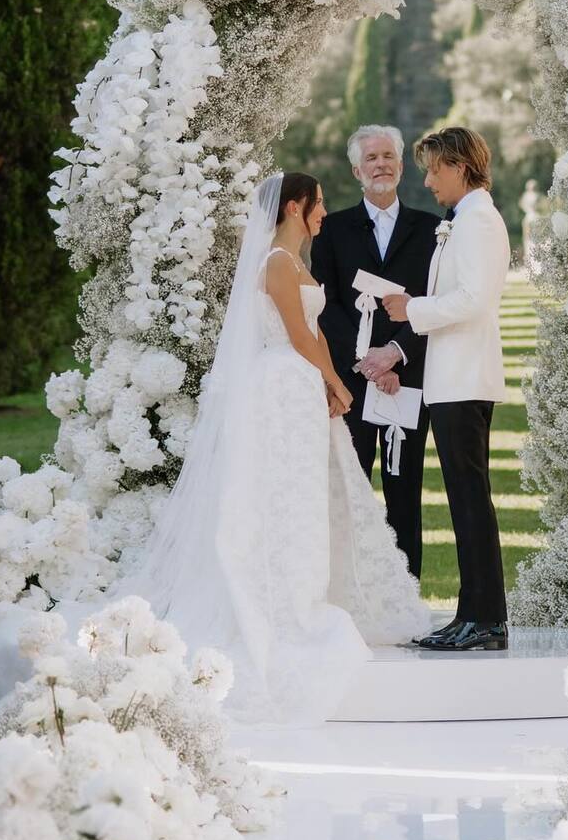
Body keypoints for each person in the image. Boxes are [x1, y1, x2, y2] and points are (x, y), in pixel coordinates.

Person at [112, 173, 428, 723]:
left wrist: (329, 378)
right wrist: (335, 382)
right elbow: (299, 336)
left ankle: (309, 588)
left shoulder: (295, 261)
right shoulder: (277, 264)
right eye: (319, 203)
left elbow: (318, 331)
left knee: (306, 494)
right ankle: (282, 601)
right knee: (283, 494)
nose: (325, 213)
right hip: (283, 384)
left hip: (300, 383)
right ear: (294, 206)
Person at [383, 129, 511, 652]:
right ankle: (472, 613)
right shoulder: (464, 220)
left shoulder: (479, 220)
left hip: (464, 379)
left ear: (460, 166)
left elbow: (475, 300)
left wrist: (412, 309)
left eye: (435, 169)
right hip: (451, 379)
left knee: (470, 501)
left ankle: (485, 620)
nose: (428, 180)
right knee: (464, 501)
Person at [311, 125, 439, 578]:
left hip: (409, 375)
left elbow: (436, 301)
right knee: (351, 488)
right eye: (372, 158)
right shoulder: (332, 230)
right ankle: (350, 591)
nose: (381, 165)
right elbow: (326, 307)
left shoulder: (433, 231)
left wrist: (396, 354)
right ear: (356, 170)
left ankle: (407, 596)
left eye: (388, 156)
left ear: (402, 166)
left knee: (405, 489)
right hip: (353, 381)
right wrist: (368, 361)